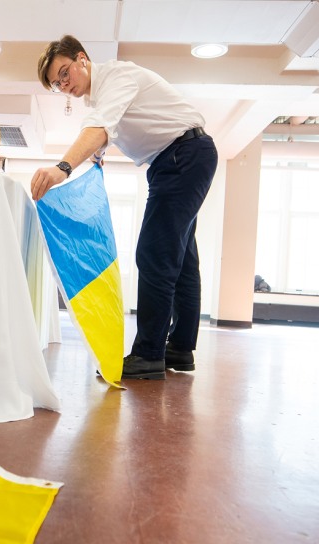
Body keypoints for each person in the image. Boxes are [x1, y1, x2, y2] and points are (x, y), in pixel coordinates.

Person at [31, 35, 217, 381]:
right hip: (178, 160)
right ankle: (179, 348)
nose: (64, 84)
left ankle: (148, 354)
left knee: (153, 253)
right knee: (182, 259)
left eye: (64, 73)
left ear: (82, 58)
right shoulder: (100, 97)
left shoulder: (117, 76)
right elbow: (111, 131)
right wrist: (98, 158)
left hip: (182, 157)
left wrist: (63, 167)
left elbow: (101, 128)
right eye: (57, 84)